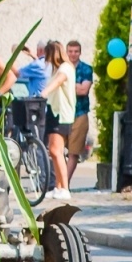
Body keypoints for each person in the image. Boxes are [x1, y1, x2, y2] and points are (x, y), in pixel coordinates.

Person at [40, 41, 76, 199]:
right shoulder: (57, 69)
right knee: (53, 151)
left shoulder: (65, 68)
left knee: (56, 151)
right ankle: (58, 186)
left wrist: (44, 92)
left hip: (61, 114)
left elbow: (59, 81)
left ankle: (65, 189)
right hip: (54, 112)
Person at [65, 40, 93, 181]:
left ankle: (65, 183)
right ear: (66, 52)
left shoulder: (86, 69)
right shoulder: (61, 68)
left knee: (73, 152)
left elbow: (83, 90)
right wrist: (75, 86)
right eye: (70, 51)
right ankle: (59, 181)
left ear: (80, 52)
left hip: (80, 113)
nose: (73, 54)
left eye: (76, 51)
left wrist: (65, 85)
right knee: (56, 150)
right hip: (63, 113)